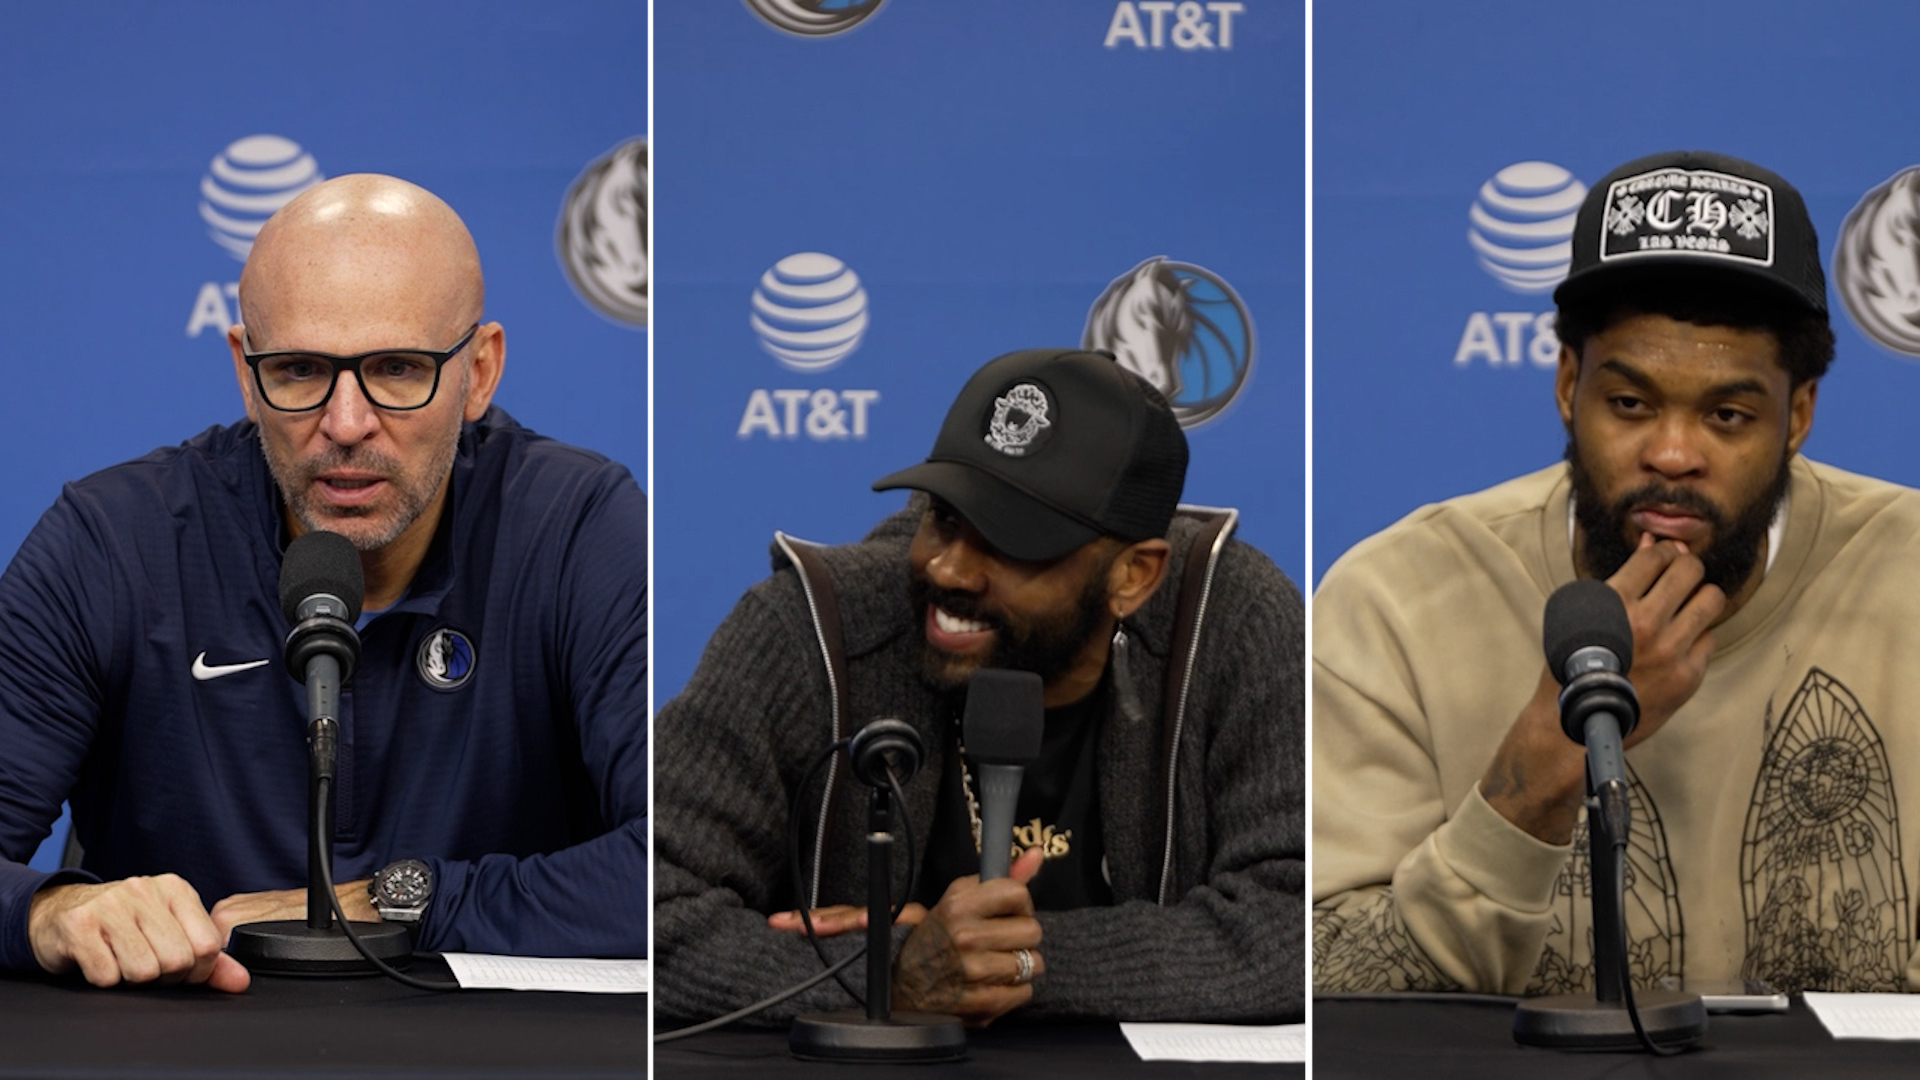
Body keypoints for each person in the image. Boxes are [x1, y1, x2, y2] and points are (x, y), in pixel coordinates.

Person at [0, 175, 649, 991]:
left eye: (398, 368)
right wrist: (47, 912)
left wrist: (401, 901)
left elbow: (671, 868)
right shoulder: (113, 539)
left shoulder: (578, 527)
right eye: (302, 370)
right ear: (245, 369)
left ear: (479, 371)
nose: (346, 425)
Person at [1314, 149, 1920, 996]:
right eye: (1630, 404)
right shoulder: (1399, 601)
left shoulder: (1908, 574)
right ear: (1569, 385)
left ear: (1799, 416)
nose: (1672, 454)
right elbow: (1323, 974)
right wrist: (1533, 782)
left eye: (1728, 415)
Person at [654, 348, 1303, 1027]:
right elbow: (652, 902)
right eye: (945, 516)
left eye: (1011, 539)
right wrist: (894, 972)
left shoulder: (1231, 622)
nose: (948, 568)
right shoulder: (812, 627)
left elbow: (1291, 924)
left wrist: (991, 962)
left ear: (1133, 575)